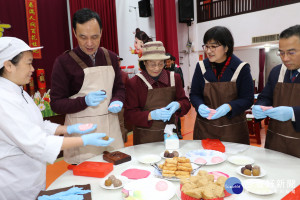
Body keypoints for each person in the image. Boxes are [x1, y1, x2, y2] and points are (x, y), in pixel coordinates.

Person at [0, 37, 114, 200]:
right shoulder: (3, 100)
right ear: (9, 65)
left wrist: (68, 129)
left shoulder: (19, 92)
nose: (33, 69)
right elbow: (37, 142)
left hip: (31, 178)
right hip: (15, 185)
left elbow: (37, 126)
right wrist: (84, 140)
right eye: (29, 63)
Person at [50, 8, 125, 164]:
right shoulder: (64, 62)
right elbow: (56, 104)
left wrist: (117, 99)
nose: (89, 43)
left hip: (110, 130)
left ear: (102, 32)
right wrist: (84, 101)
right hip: (81, 135)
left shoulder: (110, 57)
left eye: (95, 37)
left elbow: (119, 88)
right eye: (83, 37)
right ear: (74, 32)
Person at [190, 26, 254, 144]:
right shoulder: (201, 67)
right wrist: (199, 106)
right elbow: (194, 94)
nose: (209, 51)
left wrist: (229, 107)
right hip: (205, 128)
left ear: (226, 47)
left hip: (233, 130)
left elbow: (248, 99)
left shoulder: (241, 68)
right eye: (206, 46)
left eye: (214, 46)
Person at [125, 41, 191, 145]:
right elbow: (129, 115)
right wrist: (151, 115)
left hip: (170, 138)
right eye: (152, 64)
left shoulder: (174, 78)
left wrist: (178, 105)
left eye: (160, 64)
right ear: (144, 62)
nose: (157, 68)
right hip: (144, 140)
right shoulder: (134, 83)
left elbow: (186, 103)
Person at [253, 25, 300, 158]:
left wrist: (293, 113)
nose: (285, 58)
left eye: (291, 53)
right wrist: (259, 106)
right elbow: (266, 96)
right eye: (281, 52)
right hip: (276, 143)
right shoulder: (277, 72)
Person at [164, 53, 185, 139]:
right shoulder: (163, 70)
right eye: (166, 62)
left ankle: (178, 131)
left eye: (169, 62)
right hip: (165, 94)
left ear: (172, 61)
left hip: (174, 95)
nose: (167, 64)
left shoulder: (177, 70)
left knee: (176, 115)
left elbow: (181, 82)